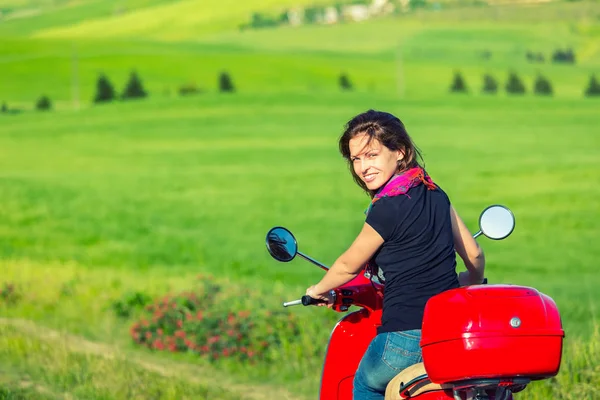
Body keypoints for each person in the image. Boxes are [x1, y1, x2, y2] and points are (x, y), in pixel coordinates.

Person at [305, 110, 485, 400]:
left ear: (401, 152)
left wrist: (317, 290)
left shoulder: (387, 207)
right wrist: (470, 281)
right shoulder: (436, 193)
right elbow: (474, 254)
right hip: (448, 330)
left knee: (365, 384)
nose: (363, 167)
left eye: (372, 155)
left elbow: (349, 265)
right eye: (356, 159)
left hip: (406, 335)